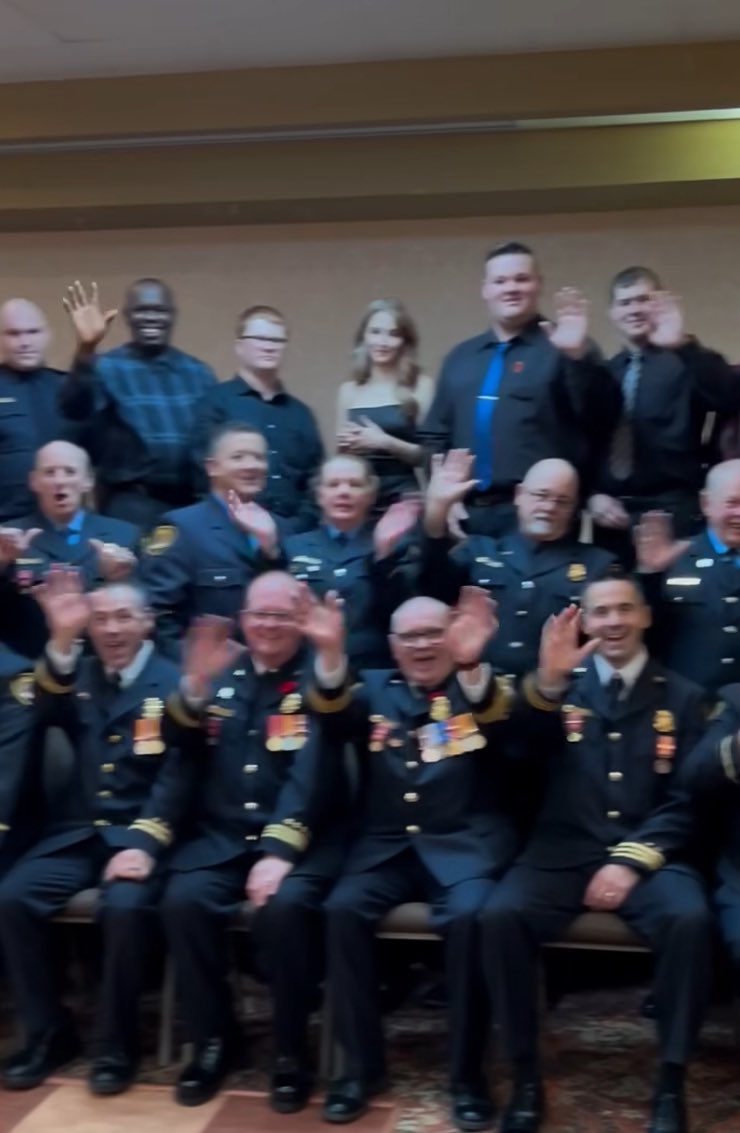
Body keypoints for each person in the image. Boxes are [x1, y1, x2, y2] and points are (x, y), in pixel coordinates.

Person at [303, 587, 588, 1130]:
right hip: (387, 850)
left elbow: (517, 731)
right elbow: (333, 713)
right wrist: (332, 656)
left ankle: (467, 1076)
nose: (423, 644)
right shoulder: (375, 691)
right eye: (410, 636)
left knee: (469, 920)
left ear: (456, 634)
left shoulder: (484, 688)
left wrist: (472, 663)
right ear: (391, 645)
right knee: (341, 910)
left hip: (466, 850)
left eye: (434, 632)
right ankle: (360, 1069)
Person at [480, 578, 712, 1133]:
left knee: (690, 920)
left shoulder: (683, 696)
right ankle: (526, 1076)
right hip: (562, 850)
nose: (612, 621)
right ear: (585, 620)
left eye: (624, 610)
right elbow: (515, 753)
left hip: (649, 853)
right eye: (600, 611)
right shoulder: (558, 689)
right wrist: (550, 681)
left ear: (646, 618)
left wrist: (630, 861)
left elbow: (688, 798)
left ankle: (670, 1083)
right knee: (500, 917)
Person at [0, 571, 189, 1096]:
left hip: (144, 835)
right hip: (79, 833)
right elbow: (41, 704)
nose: (110, 629)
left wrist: (145, 843)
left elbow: (181, 775)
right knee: (12, 898)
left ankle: (117, 1043)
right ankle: (48, 1032)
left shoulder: (176, 684)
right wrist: (59, 638)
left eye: (123, 616)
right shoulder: (78, 673)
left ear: (148, 623)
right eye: (100, 618)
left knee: (125, 911)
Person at [161, 574, 346, 1110]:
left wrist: (279, 851)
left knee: (283, 912)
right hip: (221, 838)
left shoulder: (323, 678)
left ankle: (290, 1051)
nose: (268, 624)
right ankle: (216, 1040)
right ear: (242, 618)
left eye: (282, 614)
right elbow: (178, 750)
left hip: (305, 840)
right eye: (258, 613)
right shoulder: (222, 674)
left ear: (303, 620)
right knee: (183, 902)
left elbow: (313, 775)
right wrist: (193, 687)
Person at [419, 242, 617, 538]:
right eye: (500, 281)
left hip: (541, 513)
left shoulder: (565, 346)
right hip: (468, 514)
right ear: (486, 289)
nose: (511, 288)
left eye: (521, 279)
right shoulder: (460, 357)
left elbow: (601, 420)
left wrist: (578, 359)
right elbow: (434, 436)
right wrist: (444, 493)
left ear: (538, 285)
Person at [588, 267, 740, 565]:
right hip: (611, 516)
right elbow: (583, 440)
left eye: (643, 299)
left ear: (660, 303)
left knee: (675, 605)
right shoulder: (603, 373)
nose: (634, 309)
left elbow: (729, 397)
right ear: (612, 312)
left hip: (675, 509)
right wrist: (590, 496)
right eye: (625, 302)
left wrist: (683, 345)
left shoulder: (688, 361)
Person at [419, 451, 618, 678]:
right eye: (541, 495)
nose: (550, 507)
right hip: (479, 690)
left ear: (574, 509)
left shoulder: (598, 565)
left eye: (562, 501)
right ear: (519, 495)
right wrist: (435, 515)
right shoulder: (478, 550)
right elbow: (430, 592)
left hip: (559, 695)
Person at [61, 279, 217, 527]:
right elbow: (73, 409)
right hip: (130, 503)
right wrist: (86, 349)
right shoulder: (106, 366)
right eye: (141, 310)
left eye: (160, 310)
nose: (151, 318)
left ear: (173, 315)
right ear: (127, 316)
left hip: (190, 503)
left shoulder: (198, 373)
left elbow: (213, 440)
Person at [140, 423, 279, 659]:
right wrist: (193, 671)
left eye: (259, 457)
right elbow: (158, 615)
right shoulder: (180, 527)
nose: (252, 465)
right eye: (239, 457)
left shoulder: (281, 527)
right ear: (212, 467)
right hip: (210, 675)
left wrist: (271, 550)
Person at [190, 305, 323, 534]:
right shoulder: (215, 403)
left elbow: (316, 480)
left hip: (292, 534)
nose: (269, 346)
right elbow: (200, 471)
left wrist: (296, 527)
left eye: (277, 340)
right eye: (260, 338)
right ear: (239, 346)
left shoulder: (301, 413)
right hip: (229, 530)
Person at [0, 441, 139, 659]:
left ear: (88, 481)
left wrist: (117, 579)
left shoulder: (124, 535)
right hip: (29, 666)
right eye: (49, 472)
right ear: (34, 481)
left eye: (70, 472)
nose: (60, 481)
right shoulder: (7, 536)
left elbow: (145, 610)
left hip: (102, 667)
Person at [282, 455, 419, 669]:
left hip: (375, 670)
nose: (343, 492)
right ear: (319, 495)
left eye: (355, 484)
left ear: (371, 495)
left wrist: (384, 554)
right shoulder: (293, 546)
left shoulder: (397, 542)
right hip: (310, 669)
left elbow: (404, 613)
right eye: (333, 484)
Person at [635, 460, 740, 695]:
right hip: (687, 705)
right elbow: (644, 634)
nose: (739, 513)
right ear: (706, 503)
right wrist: (650, 576)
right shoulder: (674, 557)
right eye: (732, 503)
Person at [336, 299, 434, 511]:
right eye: (376, 332)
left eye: (393, 334)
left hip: (404, 497)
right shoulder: (349, 390)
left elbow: (429, 456)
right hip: (359, 497)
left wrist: (384, 442)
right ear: (364, 336)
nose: (382, 341)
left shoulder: (421, 386)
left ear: (405, 341)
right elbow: (342, 458)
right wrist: (346, 445)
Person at [0, 299, 82, 524]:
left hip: (65, 524)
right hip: (6, 522)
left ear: (47, 335)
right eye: (13, 334)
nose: (25, 342)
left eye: (32, 332)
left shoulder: (68, 387)